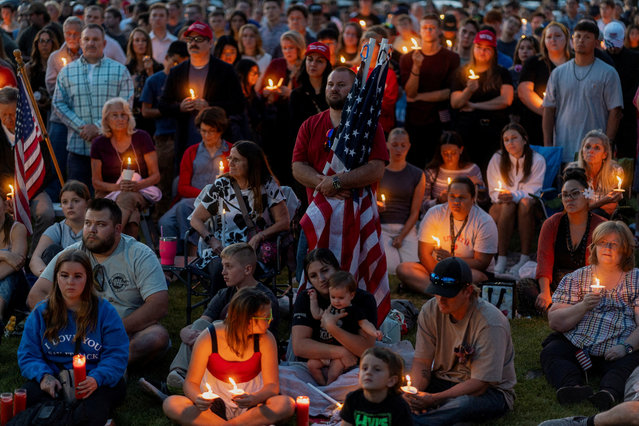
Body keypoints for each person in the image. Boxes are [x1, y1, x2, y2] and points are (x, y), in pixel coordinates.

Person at [27, 198, 170, 365]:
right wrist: (68, 323)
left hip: (125, 329)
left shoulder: (139, 254)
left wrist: (114, 329)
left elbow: (159, 304)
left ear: (117, 229)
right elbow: (36, 295)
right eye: (87, 223)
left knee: (157, 337)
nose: (91, 230)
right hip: (78, 328)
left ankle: (80, 361)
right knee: (37, 325)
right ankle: (108, 362)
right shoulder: (73, 252)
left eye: (100, 225)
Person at [17, 249, 128, 425]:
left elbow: (117, 354)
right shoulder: (41, 312)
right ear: (56, 278)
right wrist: (44, 376)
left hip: (94, 379)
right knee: (22, 401)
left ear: (88, 278)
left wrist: (97, 378)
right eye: (64, 275)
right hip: (55, 376)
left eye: (78, 276)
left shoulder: (105, 312)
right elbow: (28, 354)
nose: (70, 282)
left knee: (92, 408)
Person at [404, 257, 516, 425]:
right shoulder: (430, 310)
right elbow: (422, 363)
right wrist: (415, 393)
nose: (441, 300)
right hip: (443, 380)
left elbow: (480, 384)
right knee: (392, 383)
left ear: (468, 291)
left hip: (489, 391)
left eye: (448, 295)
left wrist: (434, 399)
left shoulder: (490, 323)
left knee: (463, 404)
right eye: (437, 292)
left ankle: (415, 421)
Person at [540, 221, 639, 410]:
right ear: (594, 247)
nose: (607, 248)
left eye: (614, 244)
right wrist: (583, 306)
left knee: (629, 364)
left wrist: (625, 348)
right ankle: (572, 387)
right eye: (602, 242)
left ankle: (608, 393)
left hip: (617, 346)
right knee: (552, 352)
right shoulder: (576, 278)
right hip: (579, 344)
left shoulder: (635, 279)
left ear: (625, 249)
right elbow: (555, 321)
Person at [162, 287, 296, 424]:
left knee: (286, 404)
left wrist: (254, 398)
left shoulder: (265, 340)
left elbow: (272, 385)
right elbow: (191, 382)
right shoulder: (210, 337)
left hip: (250, 405)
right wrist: (198, 399)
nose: (270, 321)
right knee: (172, 403)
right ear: (247, 320)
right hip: (213, 406)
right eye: (266, 318)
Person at [165, 243, 280, 393]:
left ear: (247, 269)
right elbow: (203, 321)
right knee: (201, 324)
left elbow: (261, 337)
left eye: (229, 267)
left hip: (248, 355)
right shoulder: (225, 293)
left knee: (218, 325)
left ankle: (184, 383)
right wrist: (185, 332)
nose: (223, 272)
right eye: (223, 266)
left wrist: (213, 335)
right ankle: (178, 374)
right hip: (221, 347)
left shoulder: (263, 299)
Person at [190, 141, 290, 295]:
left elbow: (284, 222)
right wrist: (211, 239)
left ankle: (245, 311)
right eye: (230, 158)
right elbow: (195, 219)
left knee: (245, 269)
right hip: (222, 249)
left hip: (252, 250)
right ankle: (215, 315)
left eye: (236, 160)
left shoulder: (267, 184)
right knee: (221, 270)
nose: (230, 163)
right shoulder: (222, 185)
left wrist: (259, 236)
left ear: (251, 163)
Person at [52, 23, 134, 189]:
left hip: (111, 148)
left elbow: (126, 105)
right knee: (79, 198)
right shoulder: (67, 72)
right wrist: (82, 128)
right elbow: (58, 103)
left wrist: (98, 128)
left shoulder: (119, 71)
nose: (91, 43)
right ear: (81, 43)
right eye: (87, 39)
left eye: (95, 39)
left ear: (104, 43)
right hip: (78, 148)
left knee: (111, 201)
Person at [159, 21, 244, 161]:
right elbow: (163, 105)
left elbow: (239, 104)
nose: (193, 43)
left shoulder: (225, 70)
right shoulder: (177, 71)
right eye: (190, 39)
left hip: (219, 138)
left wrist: (209, 106)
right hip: (187, 138)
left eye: (199, 39)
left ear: (210, 43)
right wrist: (180, 107)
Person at [396, 177, 497, 293]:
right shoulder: (435, 213)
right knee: (404, 269)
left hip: (469, 271)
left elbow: (481, 263)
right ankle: (444, 293)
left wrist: (452, 260)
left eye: (462, 198)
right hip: (436, 268)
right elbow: (424, 254)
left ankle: (431, 289)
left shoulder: (484, 221)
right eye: (452, 197)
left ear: (473, 199)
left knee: (477, 278)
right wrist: (438, 273)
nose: (456, 202)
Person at [526, 168, 607, 314]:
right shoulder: (551, 224)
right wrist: (545, 292)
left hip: (587, 288)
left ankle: (563, 309)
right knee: (525, 287)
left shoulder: (601, 226)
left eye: (575, 193)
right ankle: (556, 305)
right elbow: (544, 261)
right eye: (565, 195)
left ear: (588, 195)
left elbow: (603, 267)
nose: (569, 198)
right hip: (557, 287)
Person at [542, 20, 623, 163]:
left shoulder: (608, 73)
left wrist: (607, 146)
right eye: (578, 36)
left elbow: (615, 112)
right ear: (572, 40)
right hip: (563, 149)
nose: (581, 40)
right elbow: (548, 110)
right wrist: (548, 146)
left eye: (587, 37)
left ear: (596, 43)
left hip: (595, 152)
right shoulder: (558, 73)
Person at [159, 106, 232, 254]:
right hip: (192, 199)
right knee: (165, 222)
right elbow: (183, 187)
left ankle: (192, 254)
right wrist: (204, 194)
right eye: (203, 131)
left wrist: (212, 196)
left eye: (211, 131)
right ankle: (172, 263)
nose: (206, 135)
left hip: (221, 201)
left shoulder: (230, 151)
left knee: (183, 207)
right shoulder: (191, 152)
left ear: (220, 130)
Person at [291, 249, 377, 374]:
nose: (321, 279)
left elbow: (366, 349)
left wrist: (332, 327)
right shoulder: (307, 297)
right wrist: (341, 352)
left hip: (353, 366)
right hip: (315, 364)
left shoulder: (363, 299)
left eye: (325, 270)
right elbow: (299, 346)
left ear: (337, 269)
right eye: (313, 276)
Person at [90, 97, 160, 238]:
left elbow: (155, 175)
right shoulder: (99, 143)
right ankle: (127, 247)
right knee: (131, 213)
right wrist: (118, 187)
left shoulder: (142, 137)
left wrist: (137, 185)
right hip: (108, 193)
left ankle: (109, 239)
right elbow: (96, 182)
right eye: (115, 115)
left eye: (123, 115)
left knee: (127, 197)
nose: (120, 119)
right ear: (106, 119)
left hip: (138, 191)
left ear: (129, 118)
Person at [0, 86, 55, 256]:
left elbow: (48, 169)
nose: (9, 119)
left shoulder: (34, 132)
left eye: (13, 114)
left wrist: (25, 195)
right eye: (4, 114)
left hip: (33, 187)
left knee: (46, 213)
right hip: (3, 192)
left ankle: (33, 256)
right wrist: (5, 196)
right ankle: (5, 253)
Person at [400, 13, 460, 166]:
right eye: (425, 27)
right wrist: (416, 66)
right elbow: (410, 93)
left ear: (439, 30)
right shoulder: (407, 58)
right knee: (414, 163)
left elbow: (448, 93)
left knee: (438, 164)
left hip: (440, 121)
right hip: (414, 121)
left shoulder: (451, 58)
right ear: (419, 30)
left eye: (432, 28)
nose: (428, 31)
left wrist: (419, 97)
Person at [450, 29, 514, 171]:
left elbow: (506, 100)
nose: (482, 52)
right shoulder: (461, 72)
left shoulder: (502, 73)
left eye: (487, 49)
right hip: (468, 132)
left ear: (493, 52)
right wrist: (469, 90)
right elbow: (455, 102)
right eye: (479, 47)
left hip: (494, 131)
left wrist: (475, 105)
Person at [487, 123, 546, 276]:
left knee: (525, 204)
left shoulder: (537, 160)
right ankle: (502, 257)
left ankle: (524, 256)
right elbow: (493, 190)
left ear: (524, 139)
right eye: (506, 140)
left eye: (514, 138)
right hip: (502, 204)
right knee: (507, 205)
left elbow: (534, 189)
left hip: (528, 203)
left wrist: (514, 196)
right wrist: (502, 196)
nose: (510, 143)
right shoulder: (497, 158)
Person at [140, 40, 189, 214]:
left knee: (183, 182)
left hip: (186, 136)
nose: (178, 66)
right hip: (164, 138)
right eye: (175, 62)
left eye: (183, 63)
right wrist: (172, 109)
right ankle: (159, 227)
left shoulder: (187, 79)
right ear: (166, 58)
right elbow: (145, 111)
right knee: (164, 184)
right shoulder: (155, 80)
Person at [307, 270, 381, 385]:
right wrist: (313, 300)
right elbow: (317, 315)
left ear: (351, 295)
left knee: (333, 373)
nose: (336, 301)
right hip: (328, 350)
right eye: (333, 297)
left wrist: (374, 332)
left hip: (344, 352)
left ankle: (329, 387)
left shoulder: (353, 310)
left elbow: (364, 323)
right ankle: (322, 386)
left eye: (341, 298)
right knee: (311, 365)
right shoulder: (330, 307)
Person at [378, 128, 425, 274]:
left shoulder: (417, 174)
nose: (398, 149)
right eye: (394, 144)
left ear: (409, 146)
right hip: (383, 226)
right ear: (387, 145)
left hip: (406, 227)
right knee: (391, 268)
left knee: (412, 267)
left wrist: (402, 236)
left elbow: (415, 211)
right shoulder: (378, 171)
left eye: (403, 145)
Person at [517, 22, 571, 146]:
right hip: (537, 122)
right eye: (549, 37)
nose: (553, 40)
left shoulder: (574, 62)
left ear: (566, 39)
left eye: (558, 36)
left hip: (569, 123)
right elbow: (524, 92)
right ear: (543, 40)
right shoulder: (534, 62)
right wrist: (549, 113)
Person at [45, 16, 83, 181]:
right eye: (69, 34)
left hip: (81, 117)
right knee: (56, 161)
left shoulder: (87, 56)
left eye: (76, 34)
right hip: (59, 118)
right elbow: (51, 85)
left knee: (77, 163)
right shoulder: (55, 57)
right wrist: (66, 81)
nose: (73, 38)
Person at [30, 180, 90, 277]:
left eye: (76, 201)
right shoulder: (57, 229)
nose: (70, 206)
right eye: (65, 202)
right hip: (60, 279)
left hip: (88, 277)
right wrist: (47, 275)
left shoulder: (94, 228)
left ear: (87, 203)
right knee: (52, 250)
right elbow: (35, 259)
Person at [340, 347, 413, 426]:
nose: (368, 372)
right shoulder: (353, 399)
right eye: (365, 368)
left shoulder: (399, 406)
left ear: (391, 381)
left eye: (377, 369)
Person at [565, 130, 624, 219]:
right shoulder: (572, 170)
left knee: (597, 214)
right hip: (577, 219)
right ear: (582, 152)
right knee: (596, 213)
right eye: (587, 147)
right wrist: (602, 202)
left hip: (605, 220)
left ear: (604, 154)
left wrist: (588, 207)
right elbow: (572, 207)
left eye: (597, 148)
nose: (591, 151)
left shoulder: (614, 171)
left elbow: (611, 206)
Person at [603, 21, 639, 159]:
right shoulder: (600, 58)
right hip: (605, 114)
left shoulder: (635, 58)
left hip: (627, 114)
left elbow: (636, 88)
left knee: (627, 157)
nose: (613, 49)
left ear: (623, 39)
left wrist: (620, 107)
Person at [423, 131, 484, 211]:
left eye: (453, 153)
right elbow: (422, 206)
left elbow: (482, 202)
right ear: (440, 152)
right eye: (445, 153)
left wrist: (479, 187)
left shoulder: (472, 170)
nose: (449, 157)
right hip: (439, 217)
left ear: (461, 150)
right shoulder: (432, 172)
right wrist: (439, 201)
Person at [289, 42, 331, 143]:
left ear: (327, 65)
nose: (313, 64)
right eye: (310, 59)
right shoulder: (296, 94)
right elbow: (293, 128)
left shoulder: (333, 92)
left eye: (319, 61)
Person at [125, 28, 163, 137]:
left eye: (143, 40)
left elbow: (160, 94)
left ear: (148, 43)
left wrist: (150, 73)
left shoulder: (158, 67)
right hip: (131, 117)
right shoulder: (126, 69)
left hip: (151, 119)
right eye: (137, 40)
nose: (140, 43)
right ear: (132, 44)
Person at [0, 189, 27, 335]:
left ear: (5, 205)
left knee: (10, 273)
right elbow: (11, 257)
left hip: (16, 291)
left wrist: (8, 258)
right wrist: (4, 255)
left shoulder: (16, 229)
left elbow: (18, 261)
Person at [26, 28, 59, 121]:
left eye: (48, 41)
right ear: (37, 44)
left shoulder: (59, 66)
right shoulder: (29, 68)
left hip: (54, 109)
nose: (45, 44)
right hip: (34, 112)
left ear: (53, 43)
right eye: (41, 41)